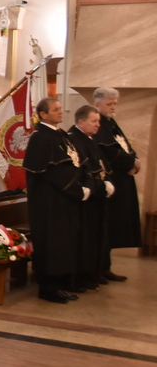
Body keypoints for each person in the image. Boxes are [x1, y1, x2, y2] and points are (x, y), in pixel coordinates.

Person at [22, 97, 94, 304]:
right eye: (55, 110)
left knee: (64, 242)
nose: (60, 112)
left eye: (60, 109)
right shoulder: (40, 138)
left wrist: (86, 184)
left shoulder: (60, 135)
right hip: (50, 202)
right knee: (52, 243)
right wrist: (78, 190)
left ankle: (60, 283)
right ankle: (48, 287)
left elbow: (76, 161)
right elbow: (55, 172)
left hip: (65, 200)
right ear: (43, 114)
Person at [93, 87, 139, 282]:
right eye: (109, 104)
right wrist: (130, 163)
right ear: (97, 104)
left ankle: (106, 267)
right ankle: (99, 267)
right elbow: (109, 152)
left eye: (115, 104)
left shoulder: (111, 123)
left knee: (114, 226)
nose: (113, 107)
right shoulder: (98, 125)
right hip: (110, 181)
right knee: (107, 225)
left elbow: (125, 145)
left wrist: (134, 161)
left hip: (123, 179)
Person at [67, 105, 114, 291]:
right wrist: (98, 186)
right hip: (86, 199)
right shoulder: (74, 140)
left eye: (98, 122)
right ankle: (83, 277)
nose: (97, 126)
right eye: (94, 121)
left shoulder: (89, 139)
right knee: (85, 241)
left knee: (96, 238)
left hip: (97, 196)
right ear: (81, 122)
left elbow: (101, 165)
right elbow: (82, 170)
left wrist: (107, 181)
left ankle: (95, 273)